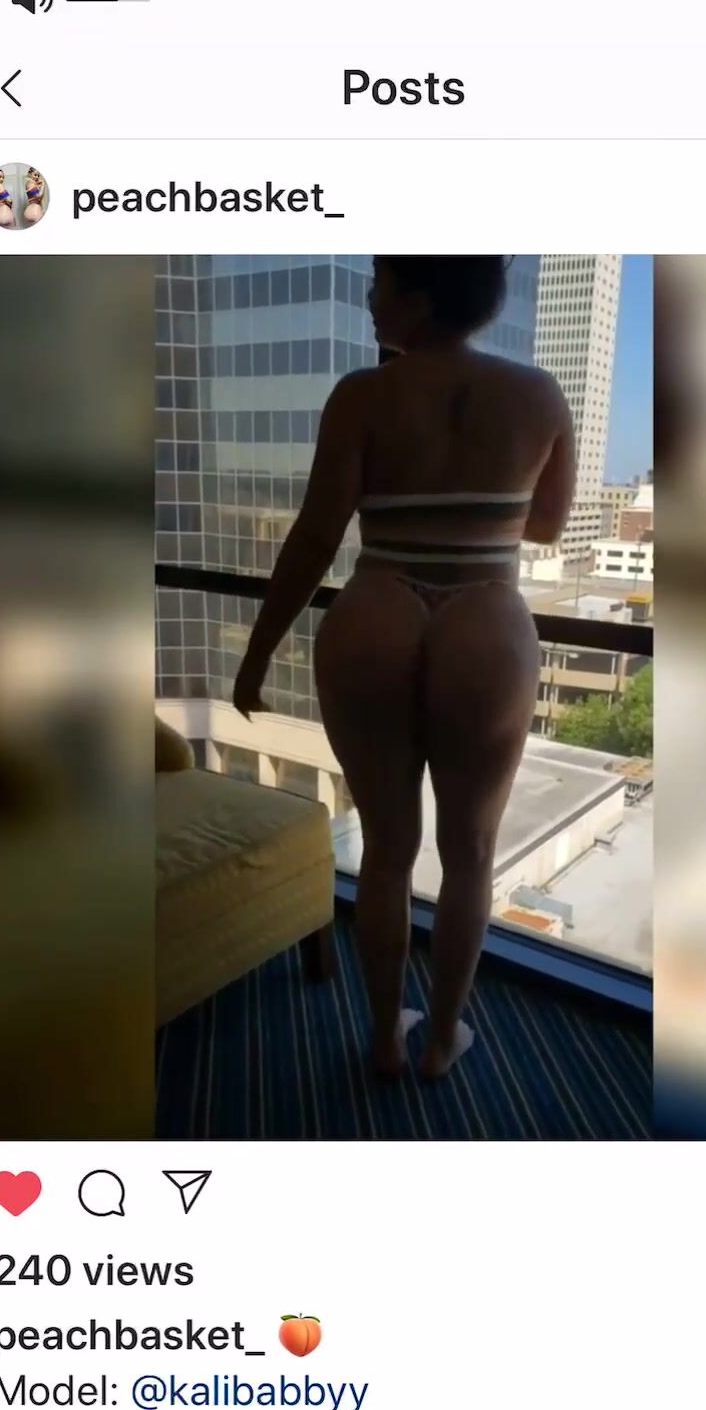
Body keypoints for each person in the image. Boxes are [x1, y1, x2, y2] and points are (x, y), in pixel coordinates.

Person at [234, 256, 575, 1077]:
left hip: (375, 611)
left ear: (419, 301)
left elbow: (315, 536)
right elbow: (547, 527)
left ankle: (385, 1038)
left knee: (387, 850)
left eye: (380, 283)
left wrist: (257, 654)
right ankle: (443, 1037)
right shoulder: (539, 395)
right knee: (471, 853)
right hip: (488, 619)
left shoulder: (360, 395)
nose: (369, 297)